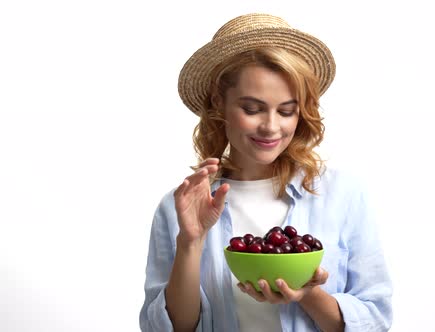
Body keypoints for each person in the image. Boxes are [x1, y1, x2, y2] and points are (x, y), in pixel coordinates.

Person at [139, 13, 393, 332]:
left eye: (286, 111)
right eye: (253, 109)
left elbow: (376, 319)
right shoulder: (180, 207)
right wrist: (191, 241)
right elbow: (167, 328)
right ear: (220, 102)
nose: (271, 127)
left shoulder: (343, 195)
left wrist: (307, 293)